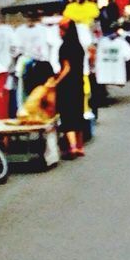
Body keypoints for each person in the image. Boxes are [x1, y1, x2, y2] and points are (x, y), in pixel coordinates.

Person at [52, 19, 86, 157]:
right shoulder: (79, 46)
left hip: (67, 86)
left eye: (61, 30)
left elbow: (66, 68)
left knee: (68, 116)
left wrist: (56, 81)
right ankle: (79, 146)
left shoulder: (65, 47)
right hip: (79, 83)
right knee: (78, 114)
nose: (59, 33)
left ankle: (72, 147)